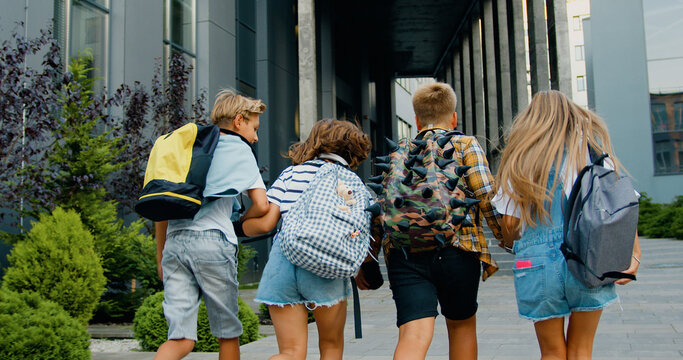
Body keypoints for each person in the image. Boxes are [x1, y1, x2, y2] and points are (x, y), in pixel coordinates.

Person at [357, 82, 503, 360]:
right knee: (461, 328)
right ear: (454, 117)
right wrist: (505, 239)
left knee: (413, 335)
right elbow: (486, 195)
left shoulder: (398, 151)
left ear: (416, 120)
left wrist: (369, 259)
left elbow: (380, 208)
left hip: (404, 254)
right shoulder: (465, 144)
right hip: (458, 251)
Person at [491, 90, 641, 360]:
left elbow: (511, 227)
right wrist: (634, 255)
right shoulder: (592, 154)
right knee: (581, 351)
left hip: (536, 265)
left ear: (530, 120)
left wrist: (513, 237)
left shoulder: (519, 160)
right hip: (587, 260)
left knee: (551, 352)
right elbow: (621, 208)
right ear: (572, 116)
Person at [240, 119, 372, 360]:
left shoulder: (292, 173)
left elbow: (265, 224)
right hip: (327, 265)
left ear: (315, 143)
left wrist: (242, 226)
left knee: (290, 352)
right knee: (331, 347)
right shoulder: (351, 183)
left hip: (284, 260)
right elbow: (357, 232)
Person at [154, 89, 270, 360]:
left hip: (175, 242)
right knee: (227, 334)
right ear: (239, 121)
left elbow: (161, 206)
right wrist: (244, 220)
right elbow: (262, 205)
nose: (256, 136)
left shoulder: (187, 147)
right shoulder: (240, 148)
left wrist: (160, 256)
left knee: (180, 338)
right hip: (213, 242)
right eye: (255, 127)